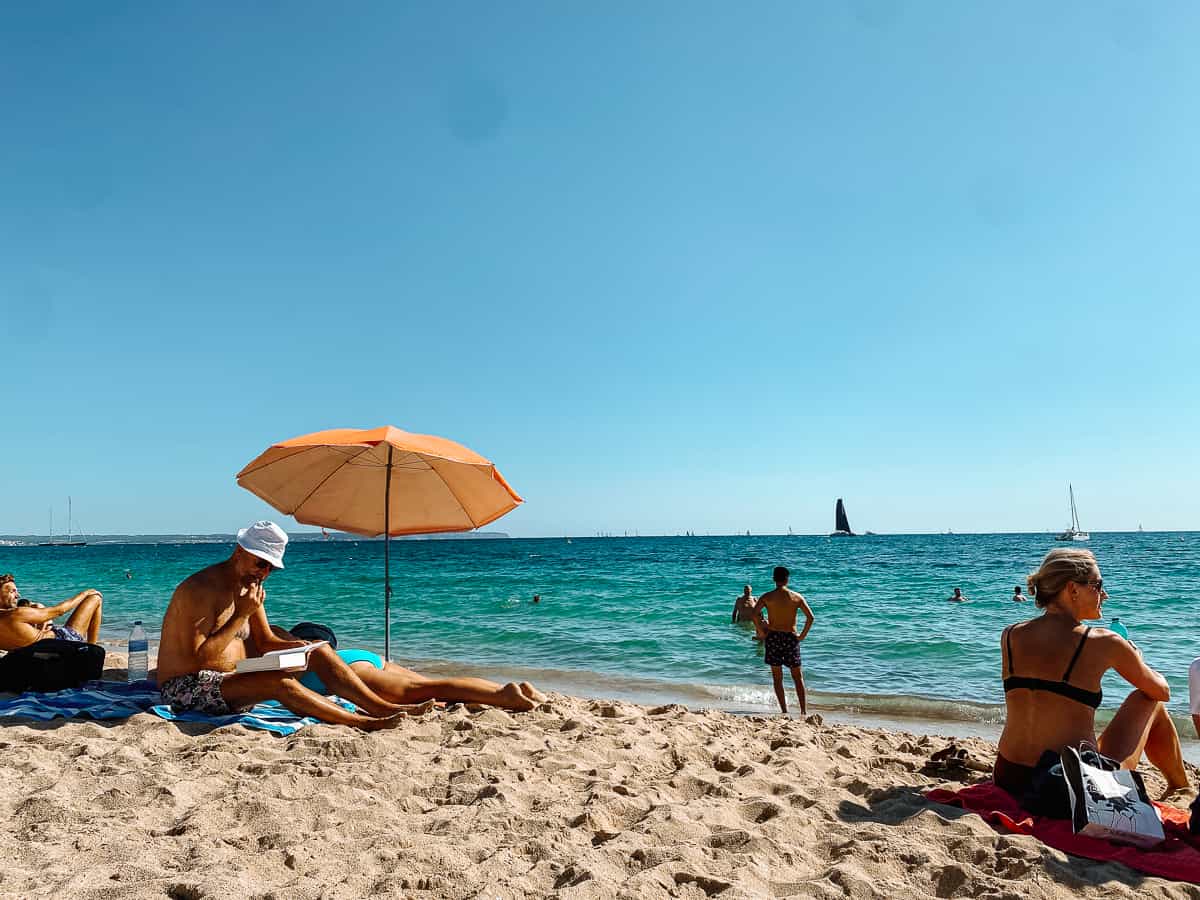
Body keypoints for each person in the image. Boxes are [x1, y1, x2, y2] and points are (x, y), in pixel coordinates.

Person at [156, 522, 416, 731]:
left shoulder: (250, 586)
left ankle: (381, 707)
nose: (264, 573)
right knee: (277, 681)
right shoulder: (200, 590)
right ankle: (362, 723)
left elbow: (265, 641)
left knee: (321, 650)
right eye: (260, 563)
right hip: (185, 686)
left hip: (236, 672)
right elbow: (199, 660)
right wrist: (240, 615)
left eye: (271, 568)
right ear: (239, 552)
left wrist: (298, 646)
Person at [994, 547, 1188, 801]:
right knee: (1149, 702)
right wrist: (1136, 658)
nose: (1104, 595)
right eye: (1098, 585)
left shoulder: (1011, 634)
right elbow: (1162, 691)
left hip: (1010, 776)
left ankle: (1180, 786)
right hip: (1066, 786)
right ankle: (1181, 786)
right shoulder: (1103, 641)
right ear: (1073, 589)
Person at [286, 621, 547, 712]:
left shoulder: (295, 659)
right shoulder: (337, 650)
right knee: (428, 687)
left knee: (420, 689)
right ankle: (509, 689)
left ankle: (504, 696)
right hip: (368, 656)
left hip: (349, 668)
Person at [752, 566, 814, 715]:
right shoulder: (796, 597)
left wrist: (761, 632)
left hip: (773, 637)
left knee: (777, 677)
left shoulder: (767, 597)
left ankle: (784, 711)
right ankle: (803, 712)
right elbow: (810, 618)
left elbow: (755, 614)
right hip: (790, 637)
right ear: (787, 579)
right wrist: (802, 636)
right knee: (797, 677)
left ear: (774, 579)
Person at [0, 573, 104, 651]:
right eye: (12, 591)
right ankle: (92, 649)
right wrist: (85, 593)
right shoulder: (16, 614)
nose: (18, 596)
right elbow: (59, 611)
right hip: (63, 642)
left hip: (30, 652)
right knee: (95, 597)